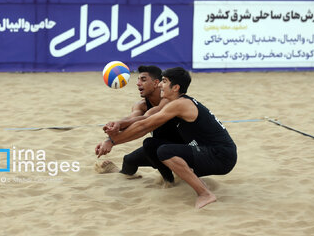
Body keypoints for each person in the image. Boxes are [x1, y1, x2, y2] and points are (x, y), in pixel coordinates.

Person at [95, 67, 237, 209]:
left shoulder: (180, 104)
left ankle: (205, 194)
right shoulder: (172, 103)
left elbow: (144, 125)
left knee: (165, 151)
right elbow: (142, 121)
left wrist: (113, 141)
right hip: (203, 150)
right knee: (150, 144)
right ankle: (170, 181)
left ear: (175, 87)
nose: (160, 85)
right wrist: (114, 132)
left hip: (221, 155)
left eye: (164, 81)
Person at [96, 65, 183, 183]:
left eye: (143, 79)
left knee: (149, 144)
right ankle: (120, 172)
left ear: (156, 83)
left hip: (183, 146)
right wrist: (112, 130)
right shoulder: (140, 105)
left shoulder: (168, 100)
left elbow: (146, 119)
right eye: (137, 80)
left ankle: (169, 182)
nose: (138, 83)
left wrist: (112, 140)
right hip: (160, 146)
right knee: (129, 160)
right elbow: (131, 119)